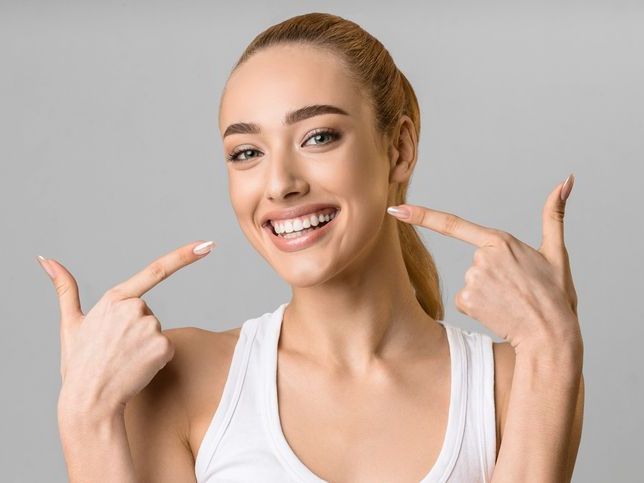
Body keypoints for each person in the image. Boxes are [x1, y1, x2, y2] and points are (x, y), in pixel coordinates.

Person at [41, 12, 584, 483]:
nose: (279, 183)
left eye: (318, 137)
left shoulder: (513, 382)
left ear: (399, 148)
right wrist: (86, 417)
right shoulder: (181, 379)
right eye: (246, 152)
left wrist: (554, 347)